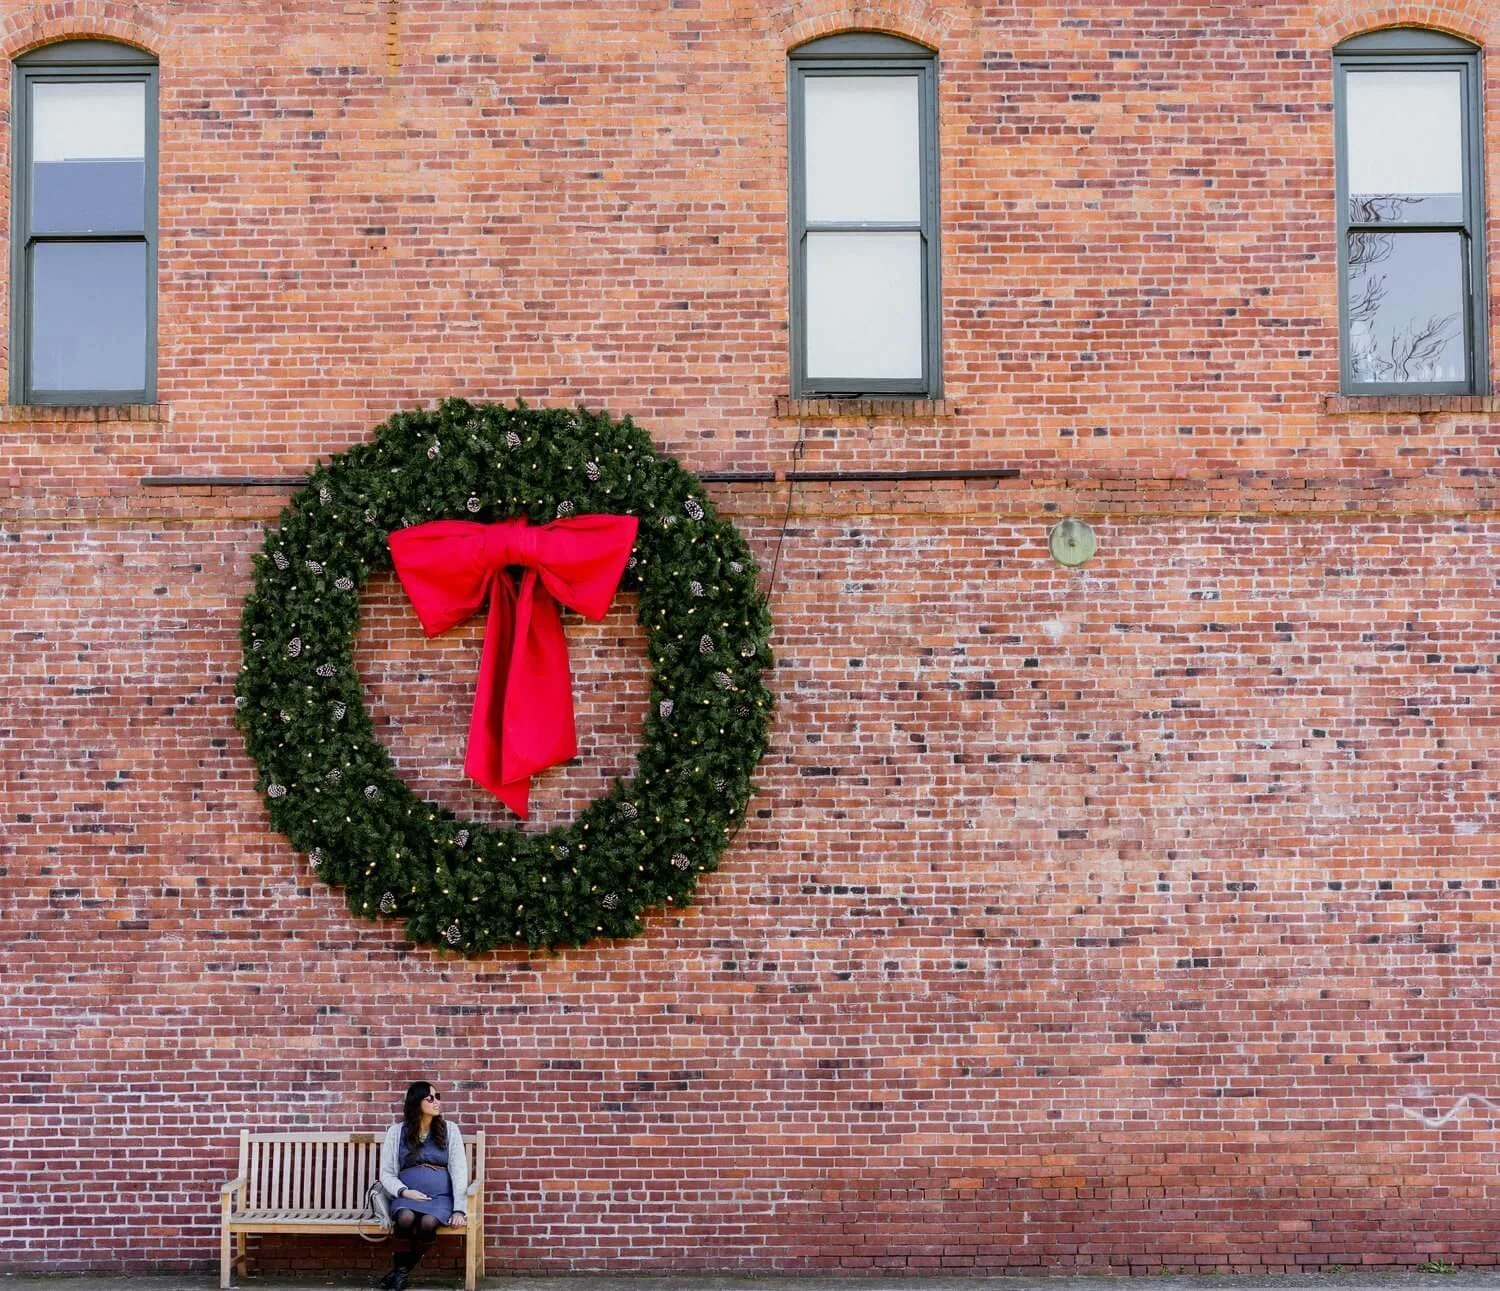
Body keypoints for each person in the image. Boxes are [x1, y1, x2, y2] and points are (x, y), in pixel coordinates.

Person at [376, 1081, 468, 1290]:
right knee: (405, 1218)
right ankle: (400, 1275)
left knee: (427, 1223)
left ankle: (400, 1273)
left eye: (437, 1097)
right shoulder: (396, 1132)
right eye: (430, 1098)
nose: (437, 1102)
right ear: (417, 1103)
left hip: (440, 1198)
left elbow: (459, 1171)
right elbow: (387, 1173)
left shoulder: (450, 1130)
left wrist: (459, 1209)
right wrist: (405, 1192)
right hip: (407, 1196)